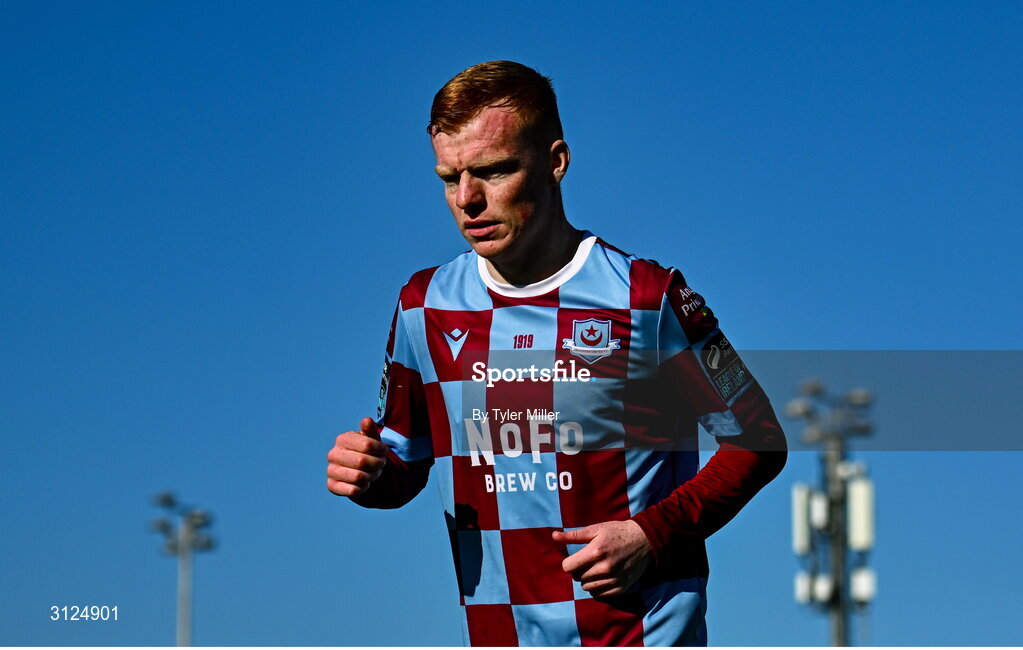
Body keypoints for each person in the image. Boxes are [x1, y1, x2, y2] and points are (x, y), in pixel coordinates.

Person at [327, 60, 787, 646]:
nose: (468, 199)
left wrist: (650, 535)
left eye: (494, 171)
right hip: (499, 635)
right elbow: (403, 464)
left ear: (556, 162)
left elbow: (758, 438)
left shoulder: (647, 296)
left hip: (639, 634)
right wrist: (368, 473)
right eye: (449, 177)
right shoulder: (424, 306)